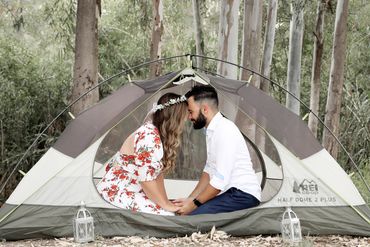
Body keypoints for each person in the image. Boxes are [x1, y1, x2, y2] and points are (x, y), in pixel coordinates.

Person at [174, 85, 261, 215]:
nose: (189, 117)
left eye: (191, 112)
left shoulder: (225, 130)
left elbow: (220, 180)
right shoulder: (211, 130)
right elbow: (209, 171)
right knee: (186, 210)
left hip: (243, 194)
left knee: (191, 216)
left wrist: (193, 205)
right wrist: (190, 199)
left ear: (204, 109)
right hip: (228, 192)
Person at [96, 93, 188, 216]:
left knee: (167, 212)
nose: (186, 120)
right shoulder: (148, 135)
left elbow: (157, 176)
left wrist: (166, 202)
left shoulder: (156, 134)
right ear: (175, 117)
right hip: (120, 190)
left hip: (135, 188)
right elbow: (145, 180)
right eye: (184, 116)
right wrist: (165, 206)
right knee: (166, 216)